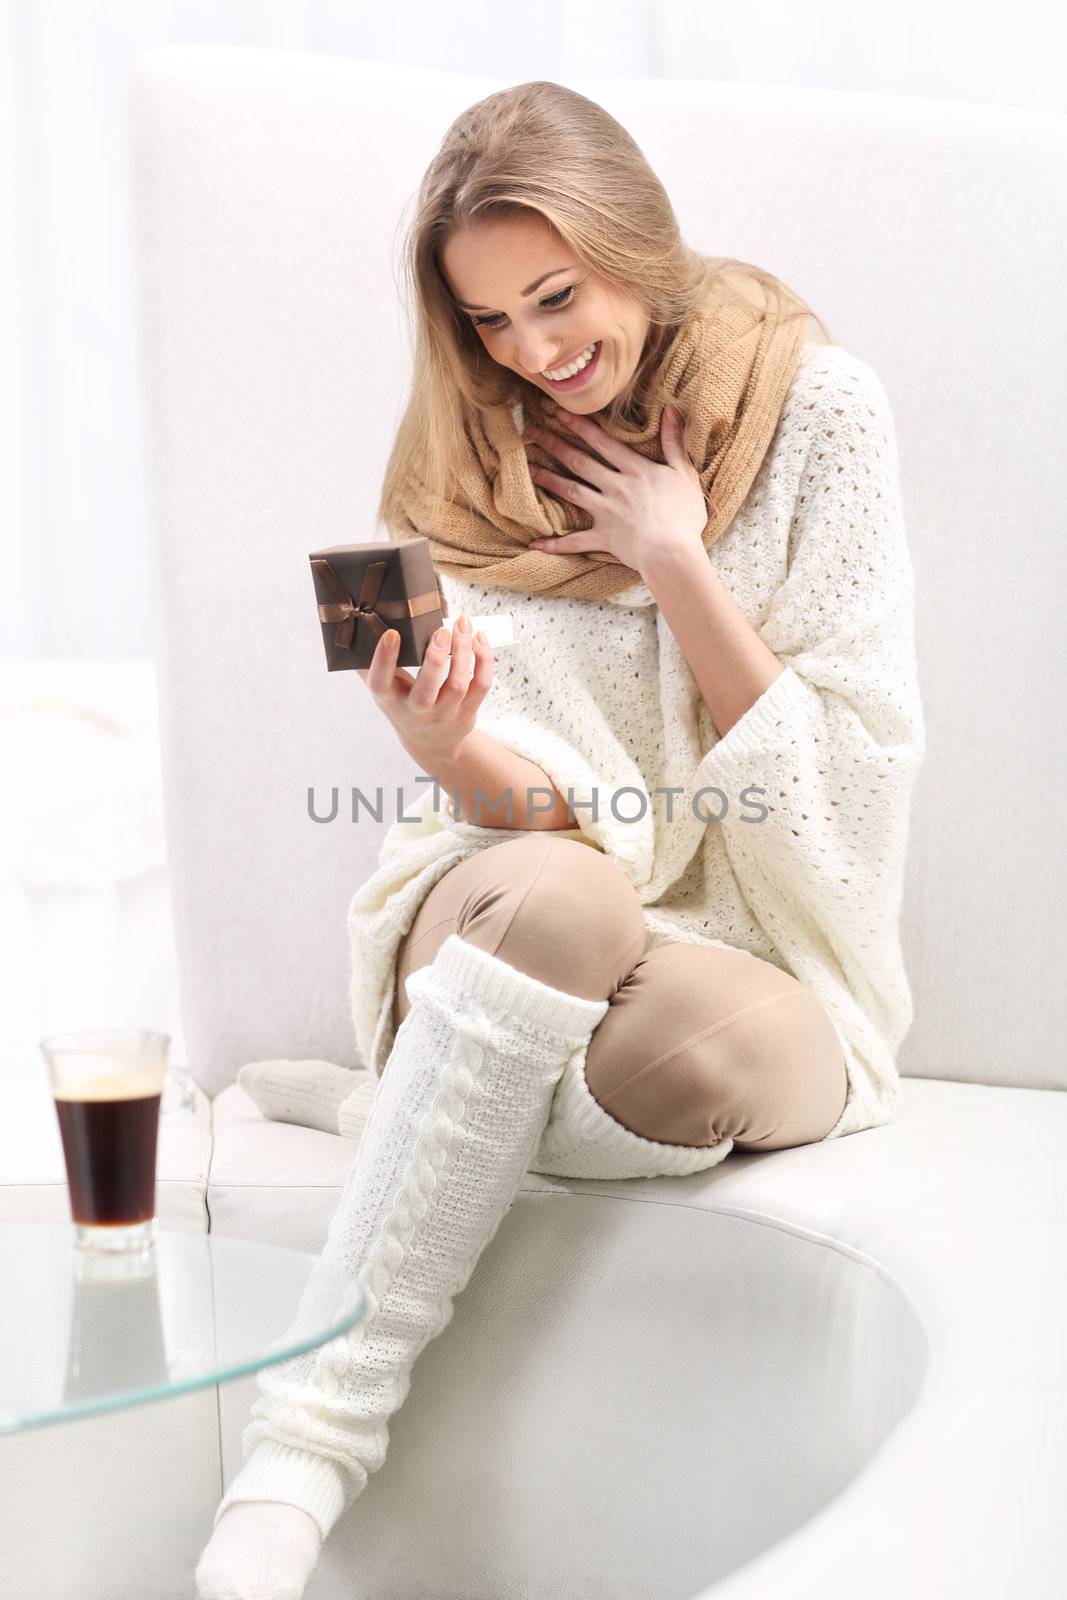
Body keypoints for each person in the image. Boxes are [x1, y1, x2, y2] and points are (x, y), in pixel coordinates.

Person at [195, 79, 924, 1600]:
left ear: (630, 243)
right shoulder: (461, 463)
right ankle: (308, 1442)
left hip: (746, 945)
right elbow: (557, 833)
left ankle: (416, 1102)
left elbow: (848, 798)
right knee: (572, 904)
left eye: (554, 297)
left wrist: (674, 559)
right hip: (524, 903)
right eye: (489, 324)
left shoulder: (820, 409)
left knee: (708, 1061)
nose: (532, 353)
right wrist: (442, 747)